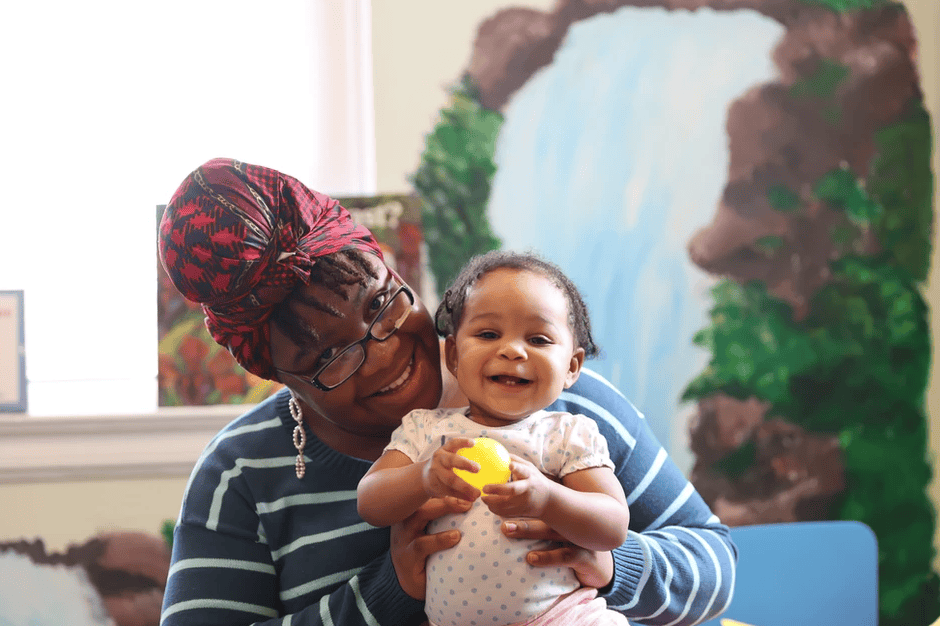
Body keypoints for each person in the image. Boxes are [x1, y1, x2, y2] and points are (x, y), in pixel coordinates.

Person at [158, 158, 737, 626]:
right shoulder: (240, 475)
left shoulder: (556, 401)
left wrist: (610, 563)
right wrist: (387, 594)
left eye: (384, 303)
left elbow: (714, 566)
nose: (385, 354)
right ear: (275, 372)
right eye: (331, 357)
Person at [358, 251, 632, 625]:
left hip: (562, 617)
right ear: (453, 354)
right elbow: (371, 501)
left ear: (571, 367)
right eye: (488, 334)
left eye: (538, 339)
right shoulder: (426, 429)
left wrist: (549, 499)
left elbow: (614, 524)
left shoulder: (567, 434)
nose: (512, 350)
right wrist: (422, 478)